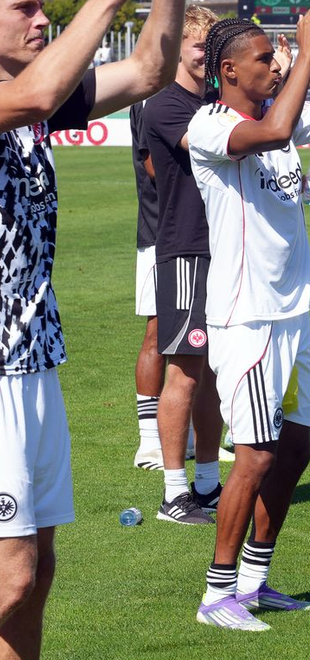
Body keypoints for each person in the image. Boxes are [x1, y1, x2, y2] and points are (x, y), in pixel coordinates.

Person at [0, 0, 202, 660]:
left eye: (48, 7)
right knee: (8, 567)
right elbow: (42, 87)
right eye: (27, 7)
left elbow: (151, 72)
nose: (44, 19)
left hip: (33, 360)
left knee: (36, 563)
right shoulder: (18, 94)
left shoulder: (40, 96)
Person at [189, 0, 310, 631]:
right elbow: (270, 131)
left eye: (277, 58)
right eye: (265, 59)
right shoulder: (212, 126)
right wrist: (306, 48)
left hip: (290, 317)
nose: (274, 67)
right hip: (246, 318)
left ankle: (254, 581)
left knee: (295, 449)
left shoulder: (281, 111)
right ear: (229, 72)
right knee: (256, 454)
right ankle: (217, 595)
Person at [142, 2, 225, 525]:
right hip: (187, 250)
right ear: (176, 49)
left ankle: (209, 484)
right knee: (186, 373)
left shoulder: (218, 101)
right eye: (200, 45)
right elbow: (215, 145)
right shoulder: (166, 106)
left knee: (214, 374)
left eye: (213, 46)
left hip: (225, 250)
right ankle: (175, 493)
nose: (208, 55)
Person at [130, 96, 164, 470]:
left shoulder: (201, 91)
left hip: (199, 232)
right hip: (159, 232)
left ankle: (189, 439)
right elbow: (154, 165)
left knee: (198, 336)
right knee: (157, 331)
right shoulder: (151, 97)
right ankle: (148, 441)